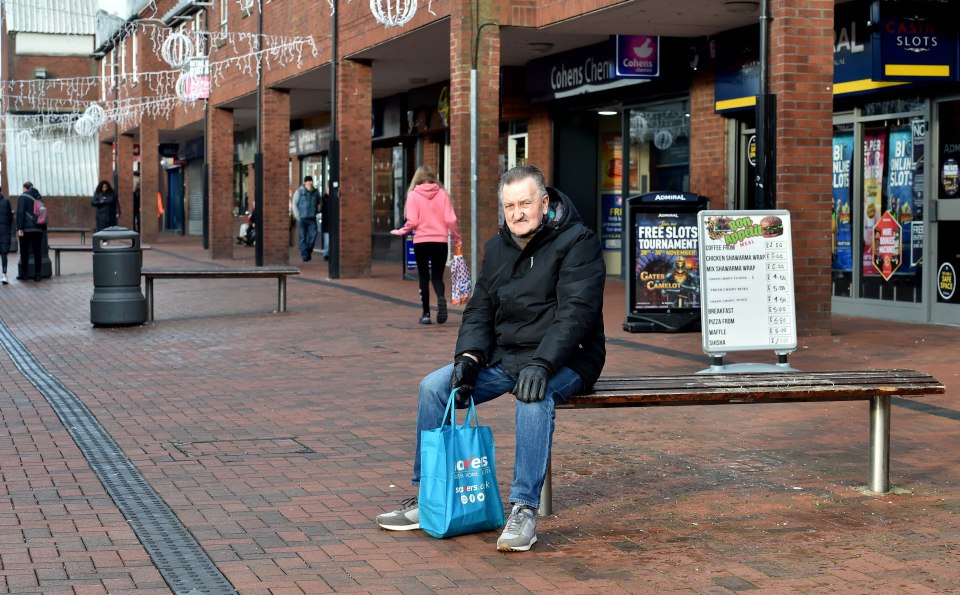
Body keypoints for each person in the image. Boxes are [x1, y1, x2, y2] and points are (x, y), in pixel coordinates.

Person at [377, 165, 606, 552]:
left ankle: (523, 510)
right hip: (506, 355)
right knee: (435, 387)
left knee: (533, 398)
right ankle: (429, 497)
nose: (517, 213)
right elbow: (479, 310)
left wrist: (545, 363)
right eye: (510, 205)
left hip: (568, 358)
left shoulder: (578, 242)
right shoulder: (496, 247)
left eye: (526, 204)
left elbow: (576, 313)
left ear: (545, 203)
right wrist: (467, 358)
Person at [390, 165, 462, 325]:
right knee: (437, 277)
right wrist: (457, 237)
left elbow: (413, 221)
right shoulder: (443, 194)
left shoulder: (413, 195)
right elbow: (451, 219)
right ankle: (441, 298)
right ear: (434, 177)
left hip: (421, 241)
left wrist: (401, 231)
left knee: (423, 277)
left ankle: (426, 314)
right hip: (440, 241)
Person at [16, 181, 46, 282]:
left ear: (25, 188)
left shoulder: (23, 197)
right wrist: (43, 228)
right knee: (37, 252)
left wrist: (19, 228)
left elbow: (20, 213)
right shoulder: (38, 197)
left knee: (24, 252)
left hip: (26, 229)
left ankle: (24, 274)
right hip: (38, 229)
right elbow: (42, 212)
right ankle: (38, 275)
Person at [292, 176, 322, 262]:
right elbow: (294, 204)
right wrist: (297, 215)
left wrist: (318, 210)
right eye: (308, 181)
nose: (310, 183)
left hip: (312, 218)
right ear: (305, 183)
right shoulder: (299, 192)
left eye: (311, 181)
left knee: (313, 236)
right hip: (302, 219)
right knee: (302, 238)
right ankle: (305, 255)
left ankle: (308, 251)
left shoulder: (316, 192)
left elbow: (320, 202)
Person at [0, 190, 12, 284]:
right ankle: (4, 275)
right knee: (4, 253)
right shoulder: (6, 202)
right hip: (4, 230)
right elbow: (10, 217)